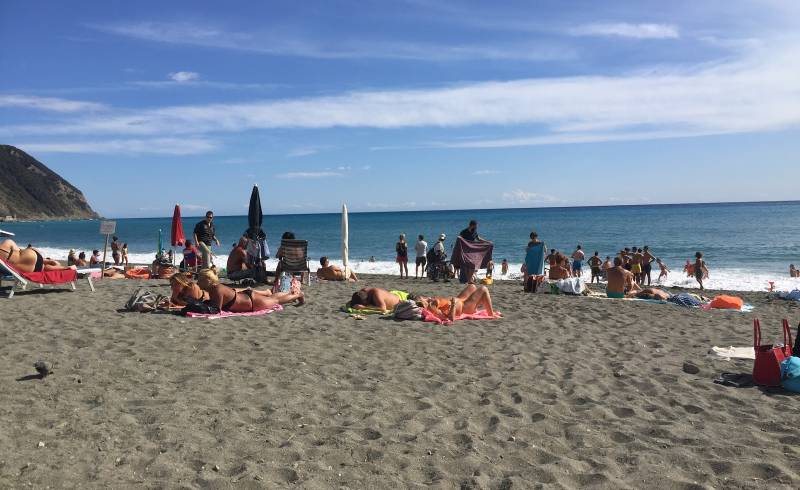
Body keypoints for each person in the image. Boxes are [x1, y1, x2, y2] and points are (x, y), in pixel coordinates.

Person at [196, 268, 304, 312]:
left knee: (276, 300)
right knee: (272, 297)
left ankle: (298, 295)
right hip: (247, 297)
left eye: (200, 280)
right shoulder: (214, 288)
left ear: (208, 281)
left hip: (253, 303)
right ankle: (291, 293)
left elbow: (216, 310)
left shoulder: (217, 289)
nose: (197, 283)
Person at [411, 284, 497, 323]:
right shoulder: (431, 307)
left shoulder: (431, 303)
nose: (426, 298)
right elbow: (450, 318)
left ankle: (480, 302)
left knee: (472, 286)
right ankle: (491, 314)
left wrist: (431, 299)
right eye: (424, 298)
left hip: (459, 300)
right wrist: (453, 304)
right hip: (464, 307)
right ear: (421, 302)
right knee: (483, 289)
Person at [0, 239, 74, 273]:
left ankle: (66, 268)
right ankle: (50, 261)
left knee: (44, 268)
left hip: (27, 268)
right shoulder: (7, 243)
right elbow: (20, 250)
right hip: (31, 255)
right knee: (43, 263)